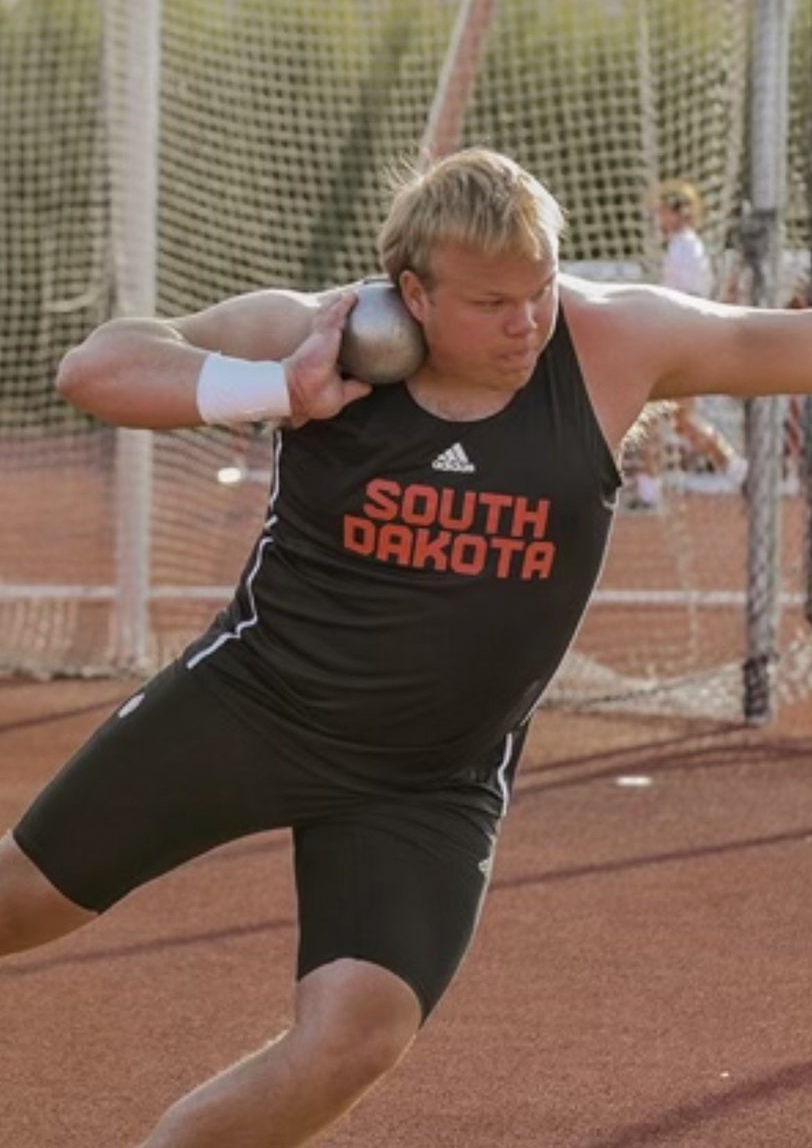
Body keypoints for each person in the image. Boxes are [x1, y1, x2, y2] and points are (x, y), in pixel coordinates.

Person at [2, 146, 812, 1148]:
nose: (524, 324)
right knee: (20, 902)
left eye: (539, 290)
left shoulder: (613, 345)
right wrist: (273, 387)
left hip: (428, 779)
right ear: (412, 294)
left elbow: (785, 342)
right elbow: (98, 368)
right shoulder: (324, 333)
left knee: (355, 1037)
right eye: (489, 304)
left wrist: (555, 309)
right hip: (255, 708)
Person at [629, 178, 747, 509]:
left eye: (664, 211)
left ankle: (650, 487)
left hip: (683, 341)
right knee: (679, 419)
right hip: (684, 339)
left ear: (678, 213)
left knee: (655, 413)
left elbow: (687, 300)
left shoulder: (685, 248)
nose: (658, 218)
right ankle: (736, 470)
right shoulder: (681, 246)